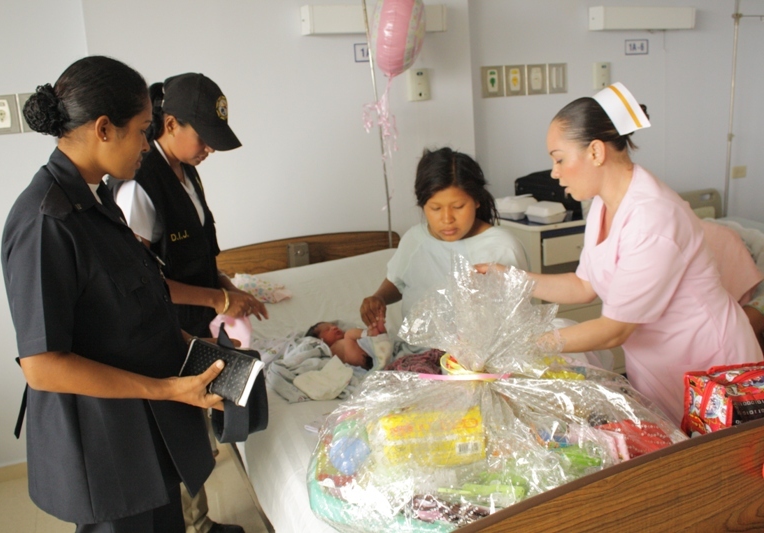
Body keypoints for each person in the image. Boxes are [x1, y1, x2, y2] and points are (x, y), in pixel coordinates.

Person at [2, 56, 230, 533]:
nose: (148, 144)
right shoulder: (47, 223)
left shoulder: (98, 198)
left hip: (148, 433)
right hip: (106, 447)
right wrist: (167, 389)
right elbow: (42, 366)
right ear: (104, 129)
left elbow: (129, 306)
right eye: (144, 131)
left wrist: (192, 347)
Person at [478, 82, 762, 424]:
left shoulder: (652, 217)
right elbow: (582, 286)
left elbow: (614, 330)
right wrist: (509, 277)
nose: (554, 172)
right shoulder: (603, 204)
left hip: (712, 366)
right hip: (661, 366)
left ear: (596, 152)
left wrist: (528, 343)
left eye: (559, 159)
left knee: (718, 458)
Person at [109, 73, 262, 533]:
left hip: (195, 324)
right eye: (204, 137)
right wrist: (219, 299)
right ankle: (195, 527)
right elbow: (144, 281)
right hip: (164, 328)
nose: (209, 149)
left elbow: (197, 253)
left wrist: (228, 289)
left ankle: (200, 522)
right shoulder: (139, 187)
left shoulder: (187, 173)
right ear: (170, 123)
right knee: (177, 434)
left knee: (198, 430)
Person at [360, 147, 529, 337]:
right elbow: (398, 280)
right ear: (422, 205)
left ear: (476, 200)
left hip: (475, 353)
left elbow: (516, 318)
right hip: (413, 350)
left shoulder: (502, 247)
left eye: (458, 206)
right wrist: (379, 298)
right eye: (436, 208)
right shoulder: (415, 239)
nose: (447, 219)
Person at [305, 321, 390, 369]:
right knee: (349, 334)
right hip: (361, 361)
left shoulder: (344, 339)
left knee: (350, 334)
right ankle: (373, 333)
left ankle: (375, 334)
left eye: (333, 326)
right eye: (327, 329)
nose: (334, 327)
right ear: (320, 340)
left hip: (368, 351)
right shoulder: (329, 350)